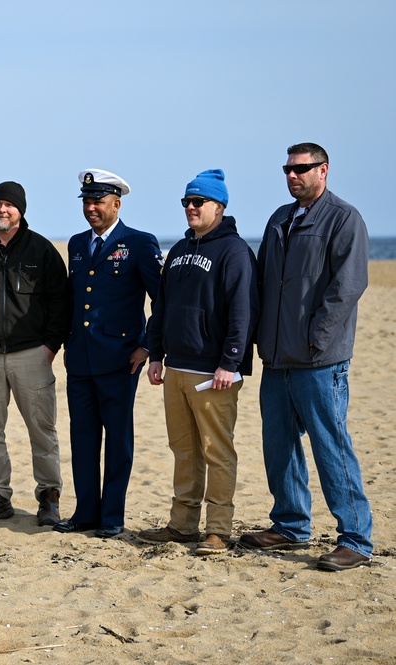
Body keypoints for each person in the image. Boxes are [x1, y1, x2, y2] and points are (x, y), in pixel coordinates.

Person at [240, 143, 373, 571]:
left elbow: (347, 287)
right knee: (278, 445)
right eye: (288, 169)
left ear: (324, 170)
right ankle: (290, 524)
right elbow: (262, 282)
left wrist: (316, 339)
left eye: (302, 169)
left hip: (320, 360)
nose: (293, 176)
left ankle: (356, 538)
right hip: (276, 358)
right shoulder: (280, 218)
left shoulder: (344, 218)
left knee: (331, 446)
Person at [136, 169, 258, 555]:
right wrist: (156, 354)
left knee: (217, 451)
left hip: (214, 373)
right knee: (183, 450)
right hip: (176, 368)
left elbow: (243, 313)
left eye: (198, 202)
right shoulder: (180, 250)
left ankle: (218, 529)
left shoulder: (235, 252)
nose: (190, 208)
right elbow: (161, 307)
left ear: (218, 206)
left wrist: (230, 363)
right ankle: (182, 525)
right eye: (186, 202)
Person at [55, 169, 162, 538]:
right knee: (82, 439)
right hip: (81, 360)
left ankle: (112, 516)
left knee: (117, 440)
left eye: (98, 201)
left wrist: (147, 346)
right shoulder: (77, 244)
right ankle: (86, 512)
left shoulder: (140, 243)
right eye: (87, 201)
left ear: (117, 203)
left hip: (121, 360)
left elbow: (161, 300)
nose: (91, 208)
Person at [0, 181, 69, 526]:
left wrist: (49, 346)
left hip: (32, 355)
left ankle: (49, 498)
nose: (1, 210)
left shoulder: (41, 249)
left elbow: (60, 302)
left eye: (9, 205)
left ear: (21, 210)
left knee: (42, 430)